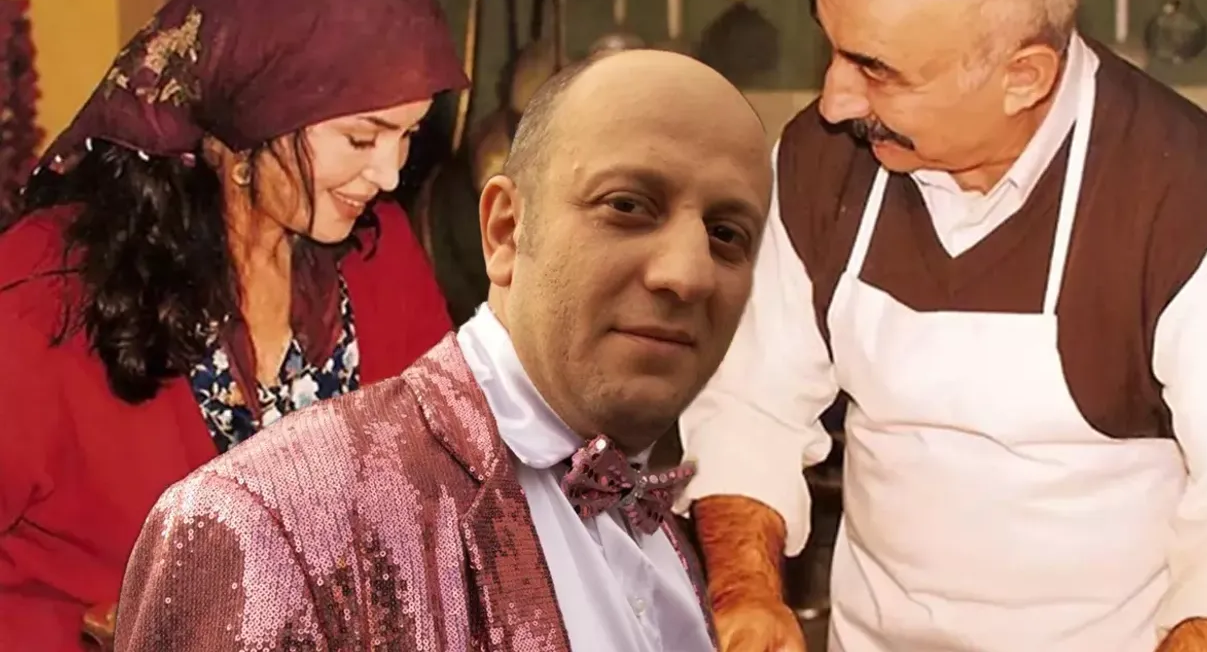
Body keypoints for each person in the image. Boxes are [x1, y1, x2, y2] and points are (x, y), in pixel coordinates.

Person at [676, 0, 1207, 651]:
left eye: (876, 69)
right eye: (831, 46)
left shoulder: (1181, 197)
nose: (834, 102)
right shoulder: (821, 161)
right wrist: (746, 594)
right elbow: (751, 405)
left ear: (1023, 77)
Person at [113, 49, 773, 652]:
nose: (688, 274)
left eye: (726, 234)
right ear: (506, 231)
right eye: (627, 205)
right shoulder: (262, 527)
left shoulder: (655, 528)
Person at [0, 0, 467, 649]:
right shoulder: (47, 288)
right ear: (257, 113)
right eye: (362, 138)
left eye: (408, 135)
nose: (390, 174)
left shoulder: (380, 255)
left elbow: (448, 481)